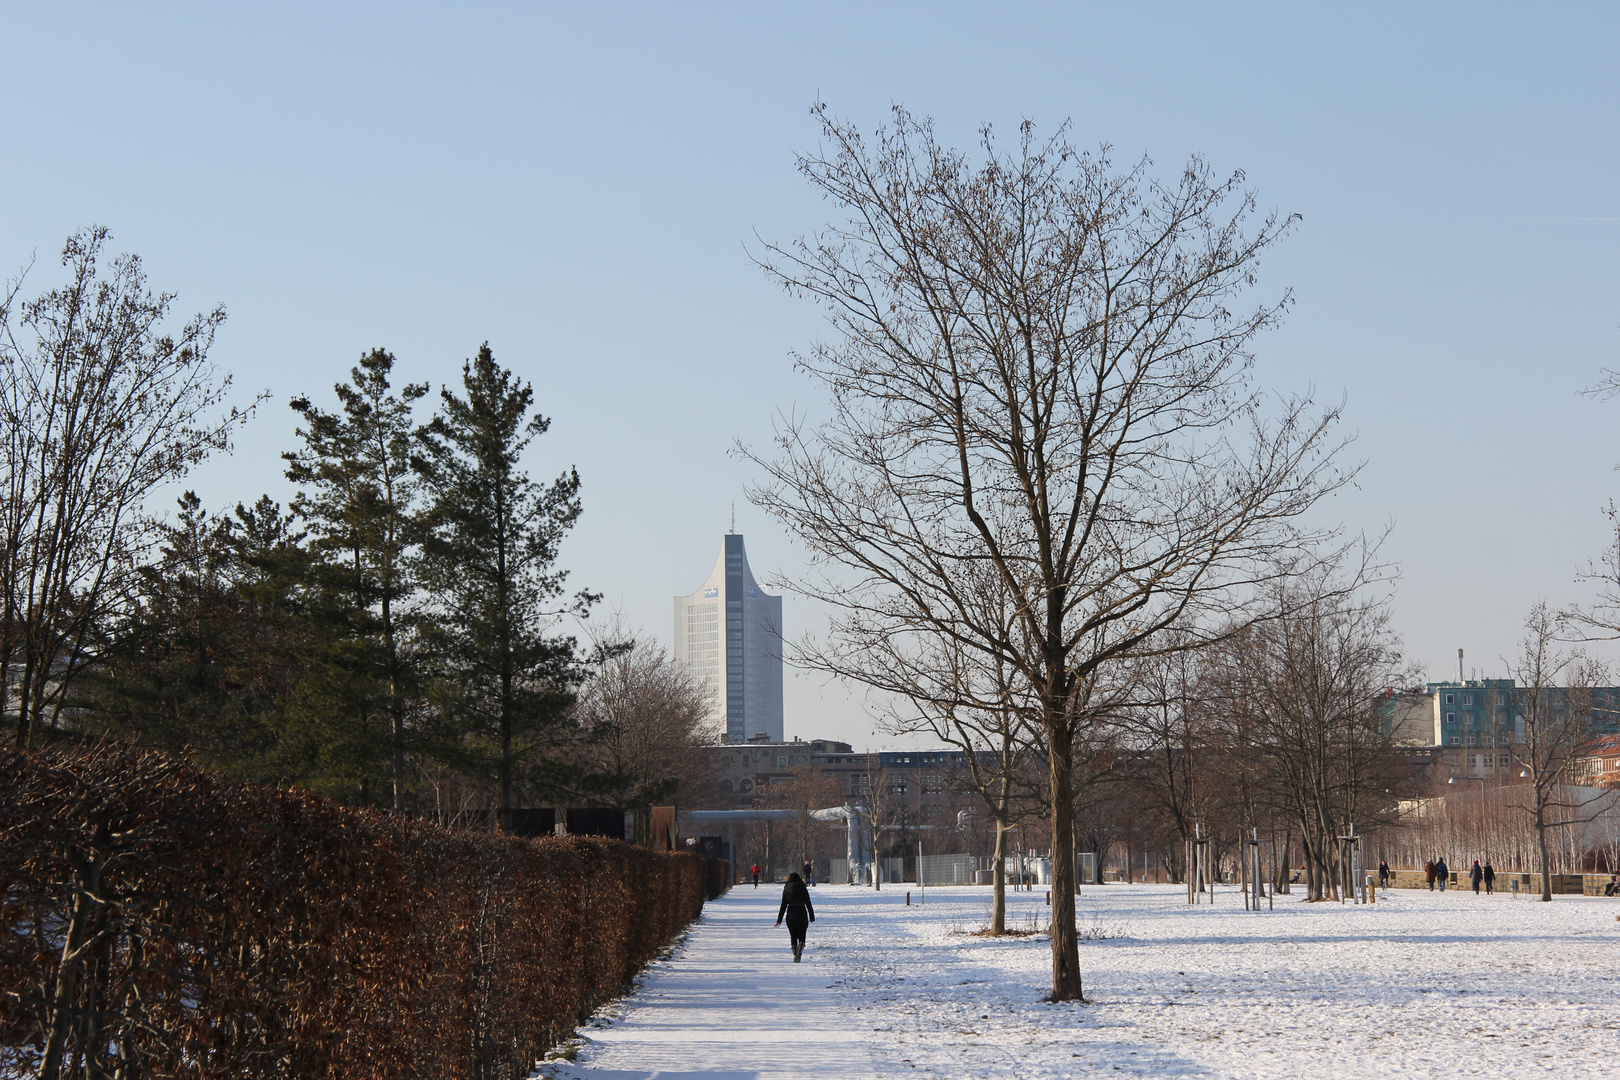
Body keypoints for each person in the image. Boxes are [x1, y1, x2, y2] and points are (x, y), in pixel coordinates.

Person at [775, 871, 815, 962]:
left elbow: (783, 905)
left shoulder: (786, 888)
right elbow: (808, 903)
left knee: (793, 936)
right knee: (802, 934)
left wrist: (779, 919)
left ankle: (795, 954)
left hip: (791, 913)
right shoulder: (803, 887)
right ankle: (800, 948)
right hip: (801, 912)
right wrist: (812, 916)